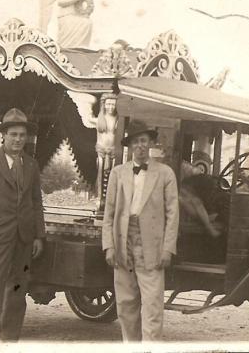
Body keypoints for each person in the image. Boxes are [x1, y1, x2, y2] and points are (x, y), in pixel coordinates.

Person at [102, 119, 179, 342]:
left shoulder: (165, 174)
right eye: (135, 142)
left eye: (144, 141)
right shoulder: (118, 173)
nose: (140, 146)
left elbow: (173, 214)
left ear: (150, 143)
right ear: (129, 146)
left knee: (153, 306)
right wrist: (109, 246)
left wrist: (167, 249)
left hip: (152, 248)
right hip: (123, 245)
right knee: (126, 307)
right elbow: (109, 213)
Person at [0, 108, 45, 341]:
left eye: (22, 135)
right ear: (3, 135)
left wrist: (37, 236)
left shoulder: (31, 165)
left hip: (24, 239)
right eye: (13, 134)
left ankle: (10, 341)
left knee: (17, 291)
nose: (18, 139)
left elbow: (36, 202)